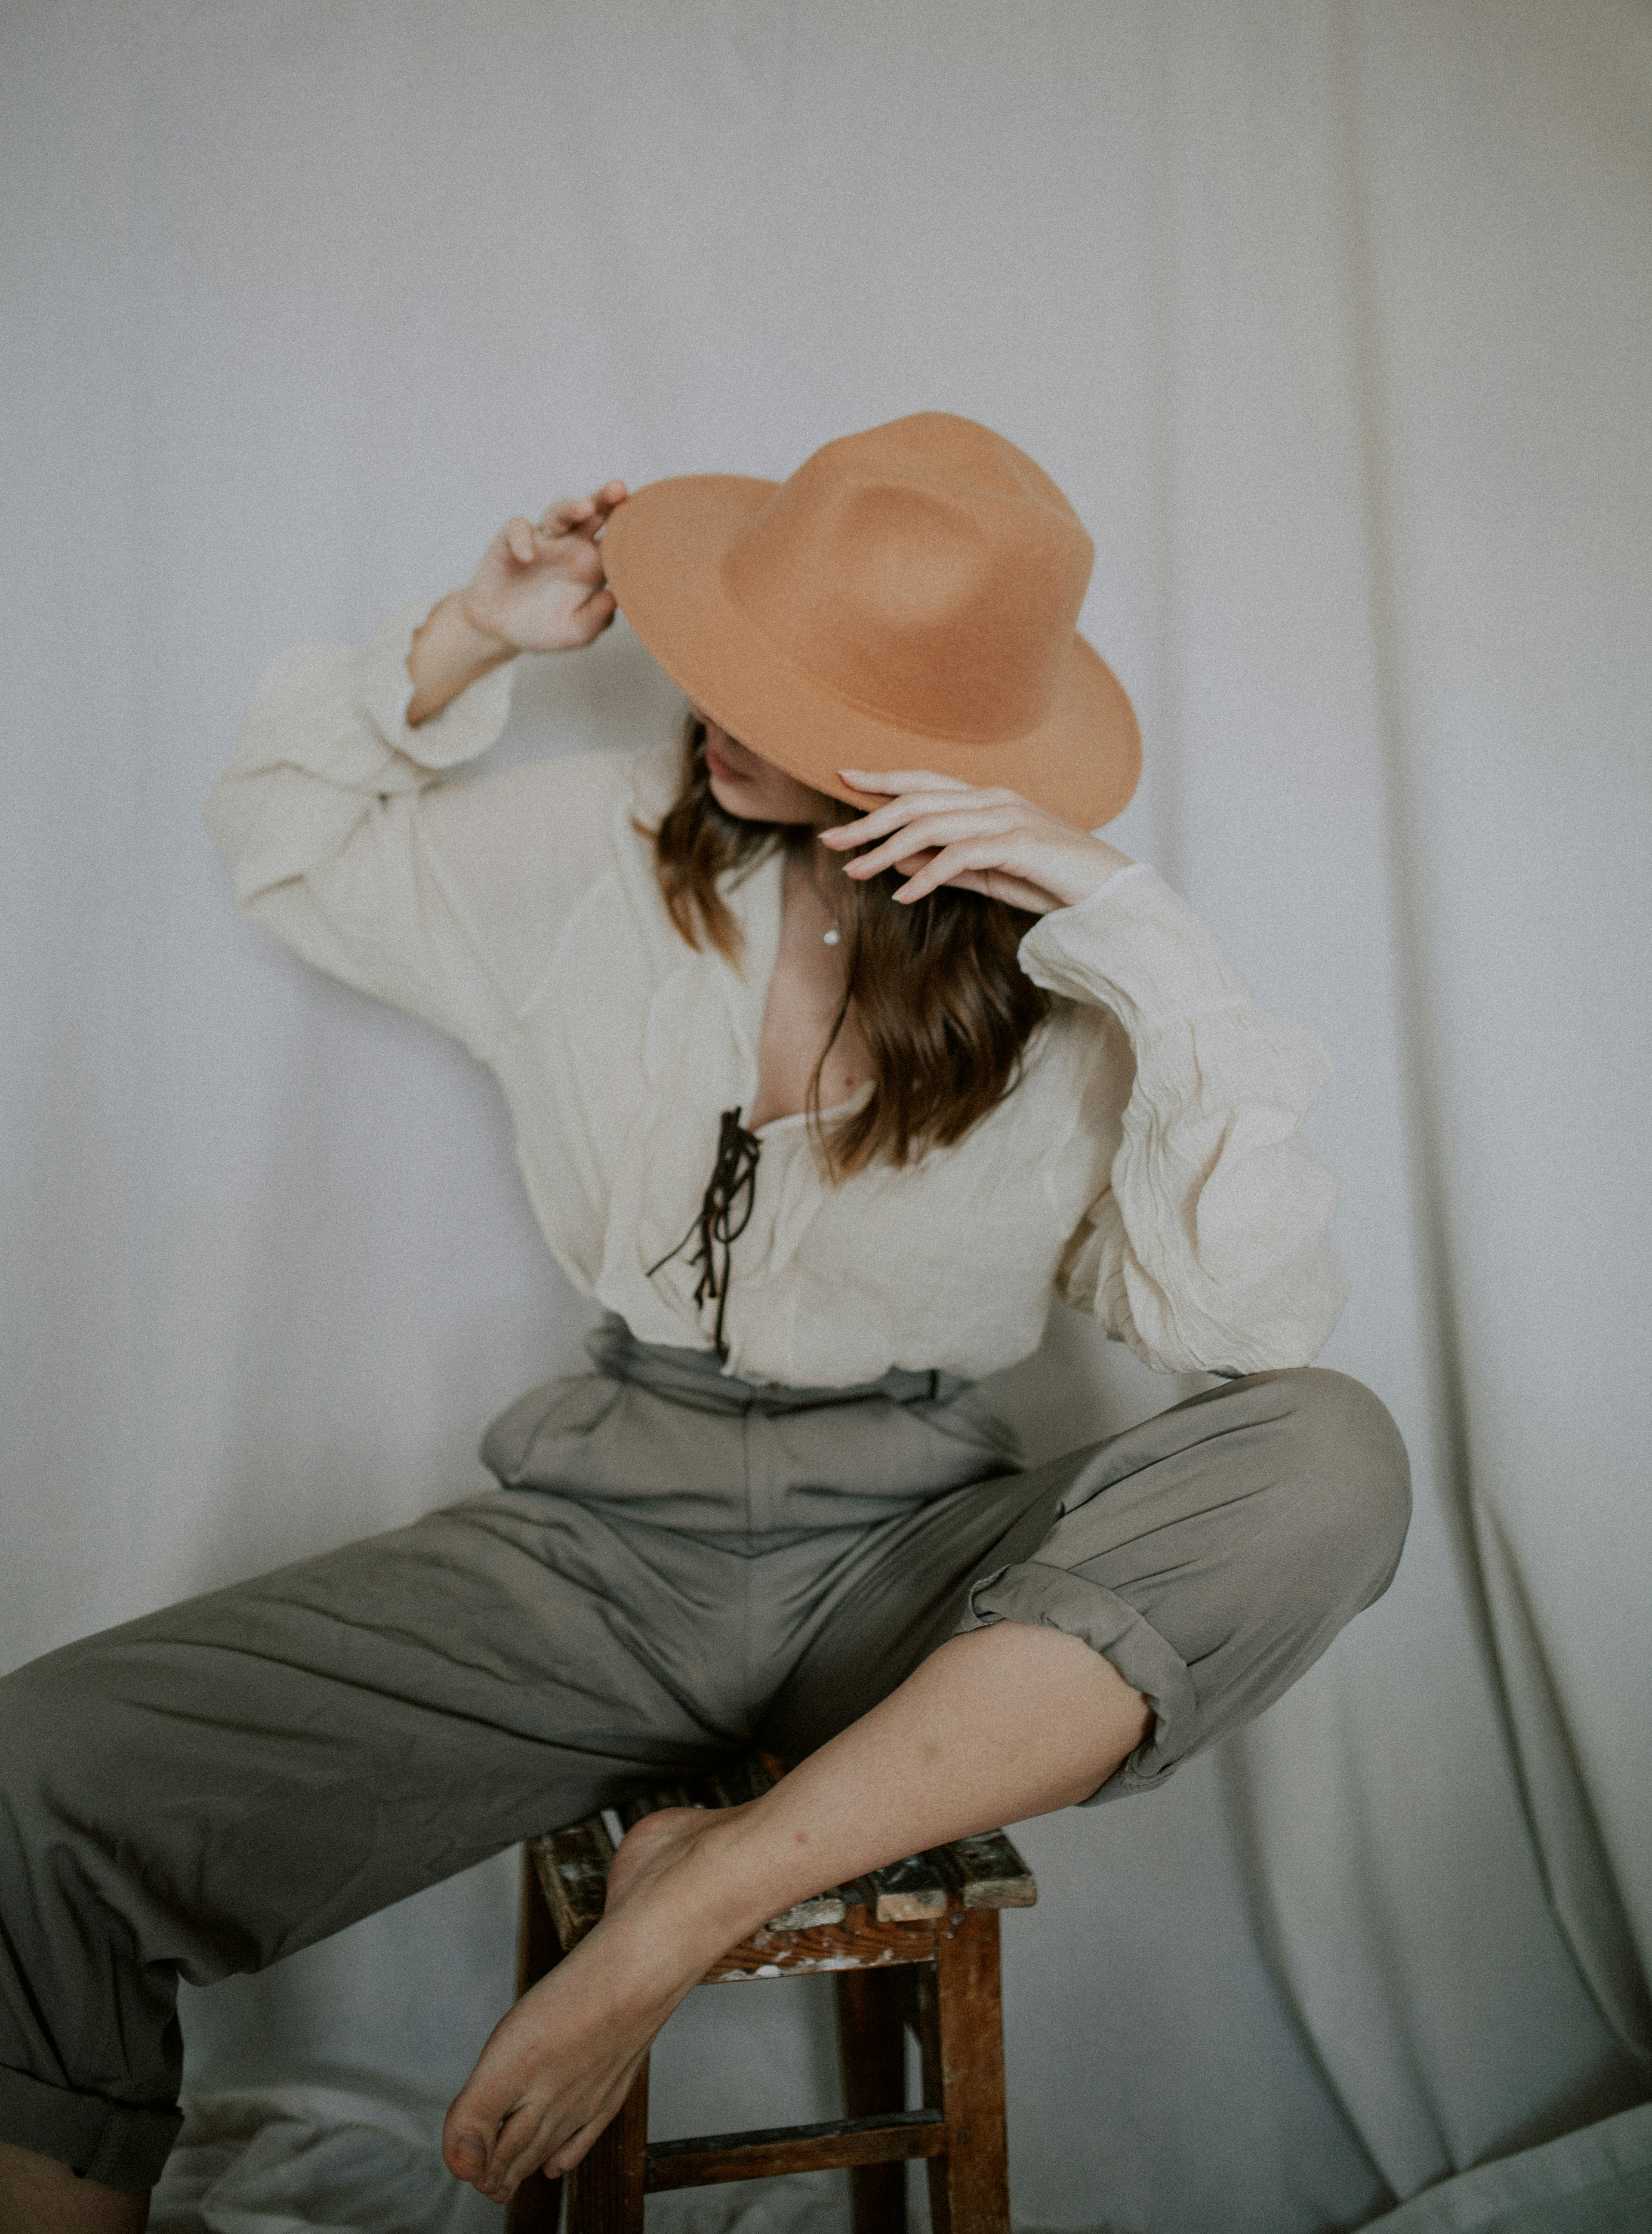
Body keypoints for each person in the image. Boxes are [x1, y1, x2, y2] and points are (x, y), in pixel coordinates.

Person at [0, 413, 1409, 2229]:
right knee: (32, 1786)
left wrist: (1150, 946)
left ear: (935, 748)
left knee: (1337, 1451)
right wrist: (476, 630)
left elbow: (1248, 1330)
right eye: (730, 648)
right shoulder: (597, 853)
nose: (714, 700)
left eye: (795, 687)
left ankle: (709, 1886)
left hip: (908, 1582)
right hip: (594, 1556)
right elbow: (290, 843)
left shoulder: (1076, 1000)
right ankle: (714, 1864)